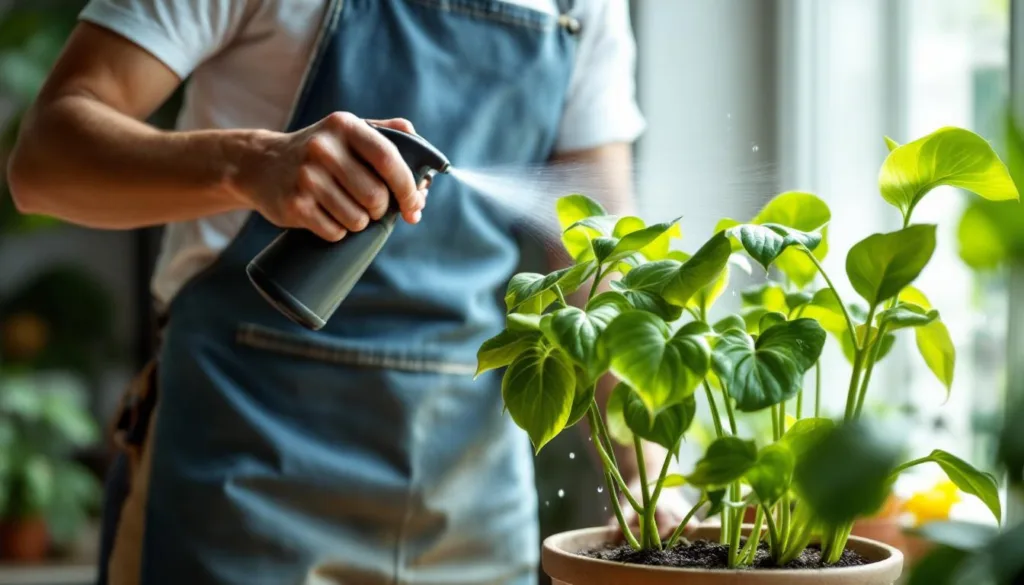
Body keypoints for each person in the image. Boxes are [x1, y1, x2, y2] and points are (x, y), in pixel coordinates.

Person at [7, 1, 693, 584]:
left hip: (473, 498)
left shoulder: (582, 7)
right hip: (239, 469)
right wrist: (251, 163)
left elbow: (597, 259)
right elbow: (42, 161)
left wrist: (648, 473)